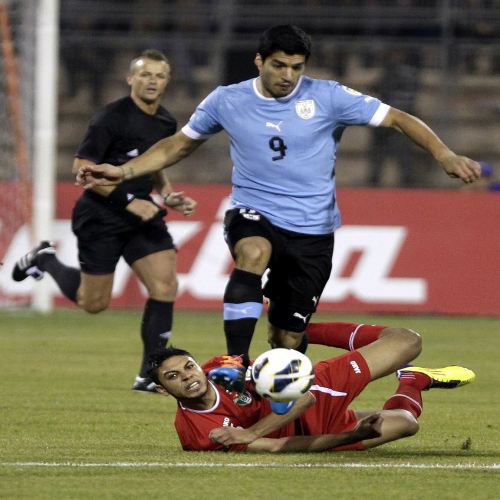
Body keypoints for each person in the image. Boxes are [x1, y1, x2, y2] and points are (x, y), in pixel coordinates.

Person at [76, 25, 481, 380]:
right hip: (253, 211)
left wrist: (444, 154)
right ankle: (235, 361)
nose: (288, 76)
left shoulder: (329, 97)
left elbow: (397, 117)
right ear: (259, 61)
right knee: (252, 251)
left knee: (287, 337)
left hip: (313, 231)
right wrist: (124, 172)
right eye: (279, 66)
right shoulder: (226, 100)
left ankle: (277, 388)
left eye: (296, 67)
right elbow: (178, 145)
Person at [12, 49, 196, 392]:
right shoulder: (110, 119)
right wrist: (127, 200)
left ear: (168, 81)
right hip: (102, 216)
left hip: (142, 214)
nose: (152, 81)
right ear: (130, 79)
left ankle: (149, 374)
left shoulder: (166, 122)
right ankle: (45, 259)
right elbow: (80, 169)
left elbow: (154, 164)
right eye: (145, 74)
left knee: (165, 287)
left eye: (159, 75)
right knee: (93, 304)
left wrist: (167, 194)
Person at [147, 321, 475, 452]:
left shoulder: (223, 368)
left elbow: (300, 396)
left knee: (406, 340)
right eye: (173, 377)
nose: (188, 376)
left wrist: (251, 432)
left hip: (318, 391)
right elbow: (278, 448)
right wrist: (354, 435)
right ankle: (414, 379)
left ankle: (304, 331)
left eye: (188, 366)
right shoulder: (198, 434)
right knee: (406, 424)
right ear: (162, 390)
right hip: (305, 430)